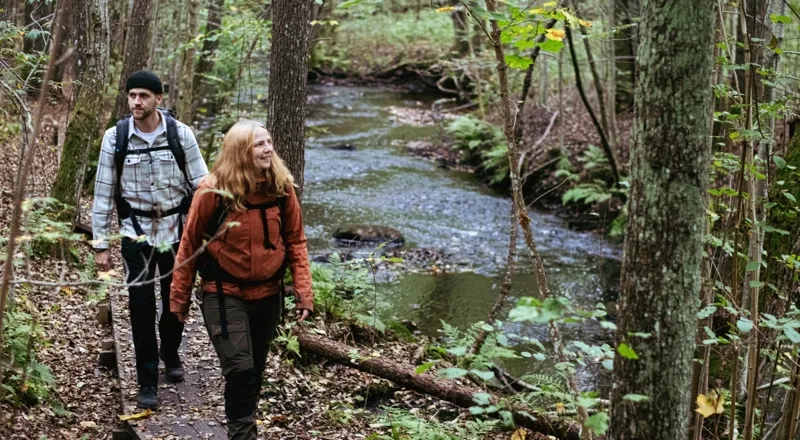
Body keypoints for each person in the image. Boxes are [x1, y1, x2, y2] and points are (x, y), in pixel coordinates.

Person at [169, 120, 313, 439]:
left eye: (269, 142)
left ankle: (242, 423)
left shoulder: (280, 187)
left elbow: (296, 240)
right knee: (241, 372)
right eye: (259, 144)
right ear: (240, 151)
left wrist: (303, 290)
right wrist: (178, 303)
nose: (269, 148)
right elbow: (189, 245)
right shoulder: (213, 191)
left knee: (254, 372)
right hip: (223, 294)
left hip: (268, 296)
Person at [92, 70, 209, 409]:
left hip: (177, 232)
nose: (137, 102)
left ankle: (170, 352)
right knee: (141, 307)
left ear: (159, 99)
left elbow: (202, 186)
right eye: (132, 96)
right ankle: (146, 379)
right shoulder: (115, 139)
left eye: (144, 95)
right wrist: (100, 244)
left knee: (176, 299)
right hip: (135, 233)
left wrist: (208, 236)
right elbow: (102, 195)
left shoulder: (180, 134)